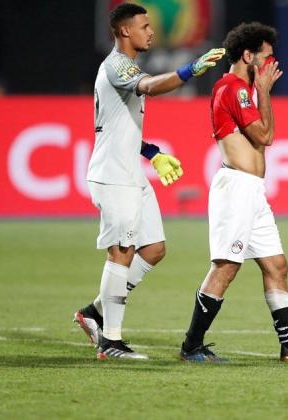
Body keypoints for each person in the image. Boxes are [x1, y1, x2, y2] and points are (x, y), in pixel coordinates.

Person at [73, 2, 225, 360]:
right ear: (125, 30)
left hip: (130, 172)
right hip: (113, 176)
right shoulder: (117, 65)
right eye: (144, 26)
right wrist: (190, 70)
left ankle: (94, 312)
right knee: (122, 251)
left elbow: (119, 127)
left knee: (154, 249)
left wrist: (152, 152)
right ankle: (110, 341)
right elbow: (152, 87)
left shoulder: (125, 67)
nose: (151, 31)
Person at [179, 22, 288, 363]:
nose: (271, 64)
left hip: (252, 190)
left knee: (276, 265)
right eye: (266, 57)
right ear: (248, 56)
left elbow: (263, 137)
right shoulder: (232, 88)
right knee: (225, 267)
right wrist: (264, 91)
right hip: (235, 188)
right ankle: (191, 346)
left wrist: (260, 91)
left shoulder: (243, 90)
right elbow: (265, 136)